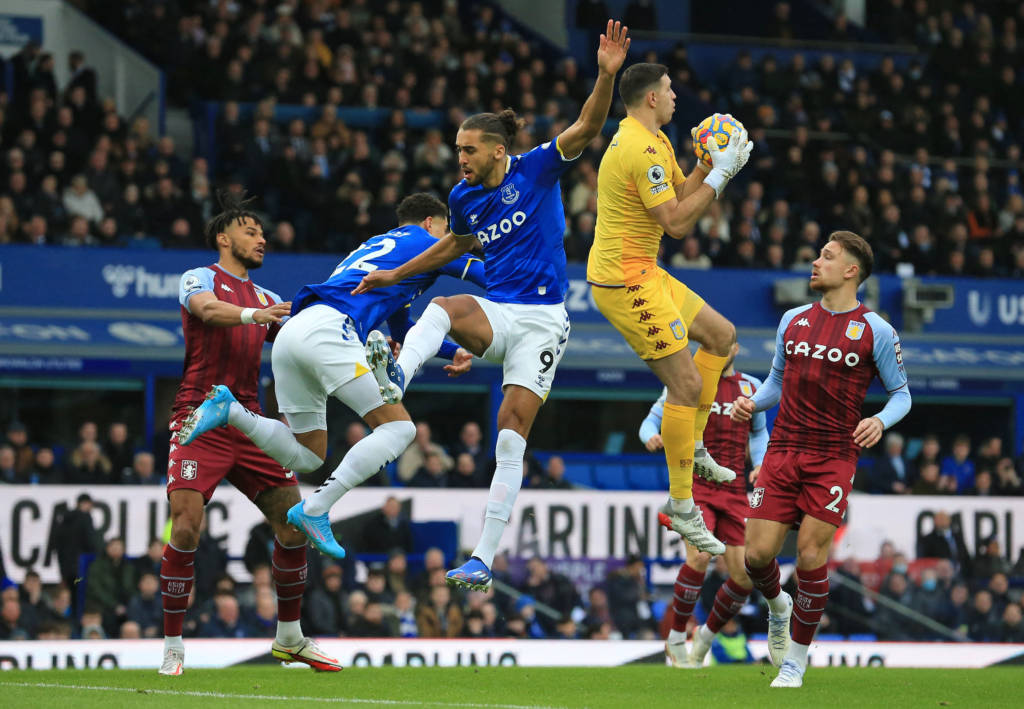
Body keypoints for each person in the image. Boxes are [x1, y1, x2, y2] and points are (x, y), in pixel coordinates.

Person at [353, 20, 632, 592]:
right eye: (458, 149)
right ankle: (397, 378)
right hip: (501, 311)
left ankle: (482, 557)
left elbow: (587, 126)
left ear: (498, 151)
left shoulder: (537, 167)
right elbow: (453, 245)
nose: (459, 157)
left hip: (545, 323)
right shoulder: (462, 197)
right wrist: (395, 273)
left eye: (468, 149)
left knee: (509, 435)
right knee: (444, 306)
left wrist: (606, 76)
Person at [179, 193, 483, 560]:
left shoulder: (379, 246)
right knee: (400, 430)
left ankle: (230, 411)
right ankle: (317, 508)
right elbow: (483, 274)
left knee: (308, 456)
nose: (448, 238)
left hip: (295, 332)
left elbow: (403, 327)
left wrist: (454, 350)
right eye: (446, 230)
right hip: (332, 330)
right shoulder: (427, 244)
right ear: (431, 224)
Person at [158, 191, 341, 675]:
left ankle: (290, 639)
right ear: (224, 238)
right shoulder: (199, 278)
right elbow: (206, 310)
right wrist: (253, 316)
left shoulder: (267, 299)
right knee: (186, 526)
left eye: (263, 233)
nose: (262, 239)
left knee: (295, 525)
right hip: (199, 417)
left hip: (250, 422)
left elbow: (307, 341)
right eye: (250, 231)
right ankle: (173, 645)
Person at [731, 231, 911, 688]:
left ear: (851, 271)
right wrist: (753, 403)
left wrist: (880, 421)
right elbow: (775, 382)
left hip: (833, 457)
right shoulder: (792, 320)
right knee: (756, 556)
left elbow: (902, 395)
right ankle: (779, 605)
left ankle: (794, 661)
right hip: (783, 450)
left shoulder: (876, 330)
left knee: (811, 555)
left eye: (827, 257)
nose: (816, 262)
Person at [587, 61, 753, 555]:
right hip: (624, 280)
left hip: (645, 269)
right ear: (652, 98)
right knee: (685, 385)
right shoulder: (639, 149)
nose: (676, 95)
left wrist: (703, 165)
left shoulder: (655, 139)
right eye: (669, 88)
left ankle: (693, 445)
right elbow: (677, 224)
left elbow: (679, 195)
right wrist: (721, 175)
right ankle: (683, 507)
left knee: (722, 336)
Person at [641, 341, 768, 667]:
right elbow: (649, 422)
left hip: (734, 491)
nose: (718, 351)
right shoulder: (689, 381)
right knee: (699, 557)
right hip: (695, 486)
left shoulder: (751, 386)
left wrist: (759, 463)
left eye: (723, 346)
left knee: (743, 577)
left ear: (735, 348)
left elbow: (759, 432)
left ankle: (706, 634)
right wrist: (649, 436)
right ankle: (676, 636)